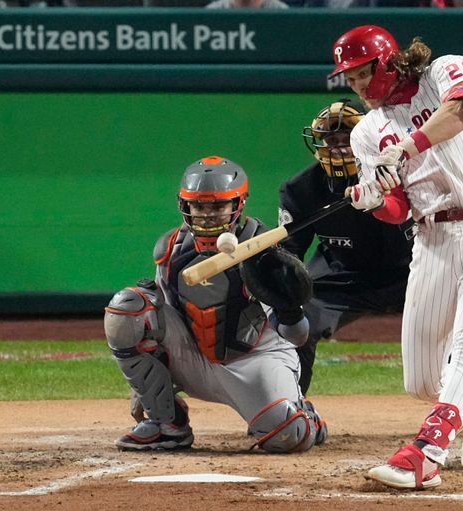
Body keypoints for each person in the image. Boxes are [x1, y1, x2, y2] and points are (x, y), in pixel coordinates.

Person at [328, 25, 463, 489]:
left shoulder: (444, 71)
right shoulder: (367, 134)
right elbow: (398, 207)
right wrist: (373, 199)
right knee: (420, 380)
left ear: (387, 62)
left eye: (362, 74)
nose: (356, 86)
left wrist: (409, 145)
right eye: (349, 79)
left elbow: (461, 111)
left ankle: (425, 453)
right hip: (432, 238)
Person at [279, 98, 463, 437]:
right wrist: (281, 292)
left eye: (346, 138)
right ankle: (287, 410)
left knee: (452, 330)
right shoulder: (301, 191)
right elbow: (289, 254)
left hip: (413, 269)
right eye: (330, 140)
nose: (338, 147)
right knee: (297, 323)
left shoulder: (402, 174)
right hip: (345, 275)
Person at [103, 156, 326, 454]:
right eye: (199, 206)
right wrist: (147, 381)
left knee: (288, 437)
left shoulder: (263, 250)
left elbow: (297, 337)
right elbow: (162, 321)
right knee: (127, 308)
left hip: (254, 358)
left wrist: (289, 310)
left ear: (237, 205)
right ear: (186, 206)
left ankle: (303, 414)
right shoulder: (170, 248)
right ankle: (167, 426)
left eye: (217, 207)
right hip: (195, 356)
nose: (207, 216)